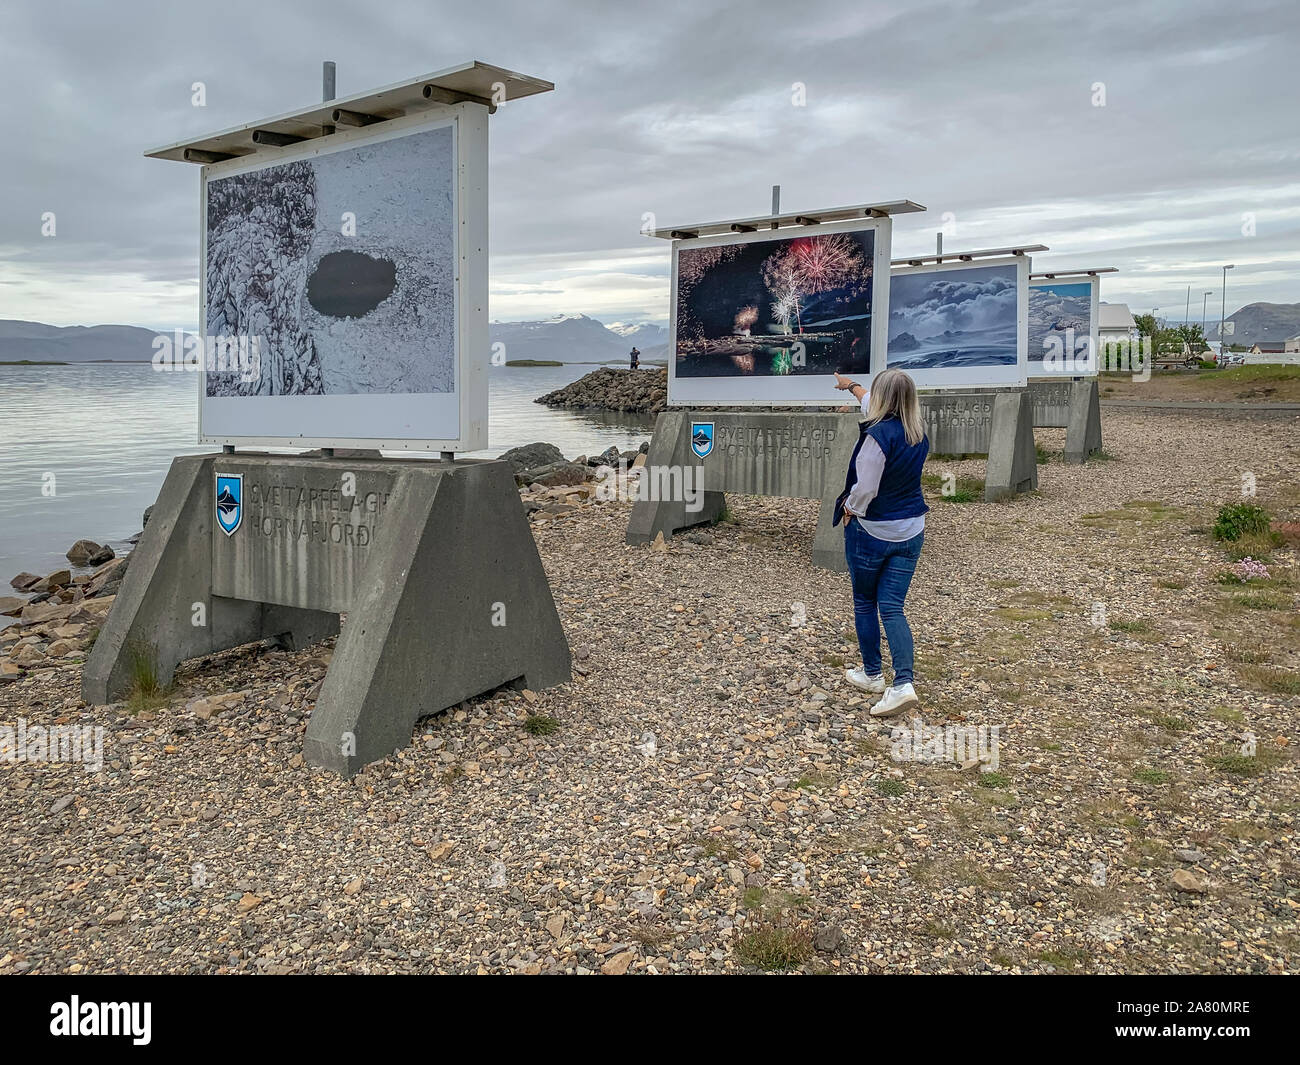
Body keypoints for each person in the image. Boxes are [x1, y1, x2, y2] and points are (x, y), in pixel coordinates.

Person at [832, 369, 929, 718]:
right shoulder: (917, 432)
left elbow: (867, 488)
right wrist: (851, 386)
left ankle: (873, 673)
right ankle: (903, 683)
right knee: (892, 607)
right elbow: (868, 402)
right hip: (912, 529)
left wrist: (848, 509)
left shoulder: (876, 437)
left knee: (864, 602)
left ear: (883, 397)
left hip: (872, 530)